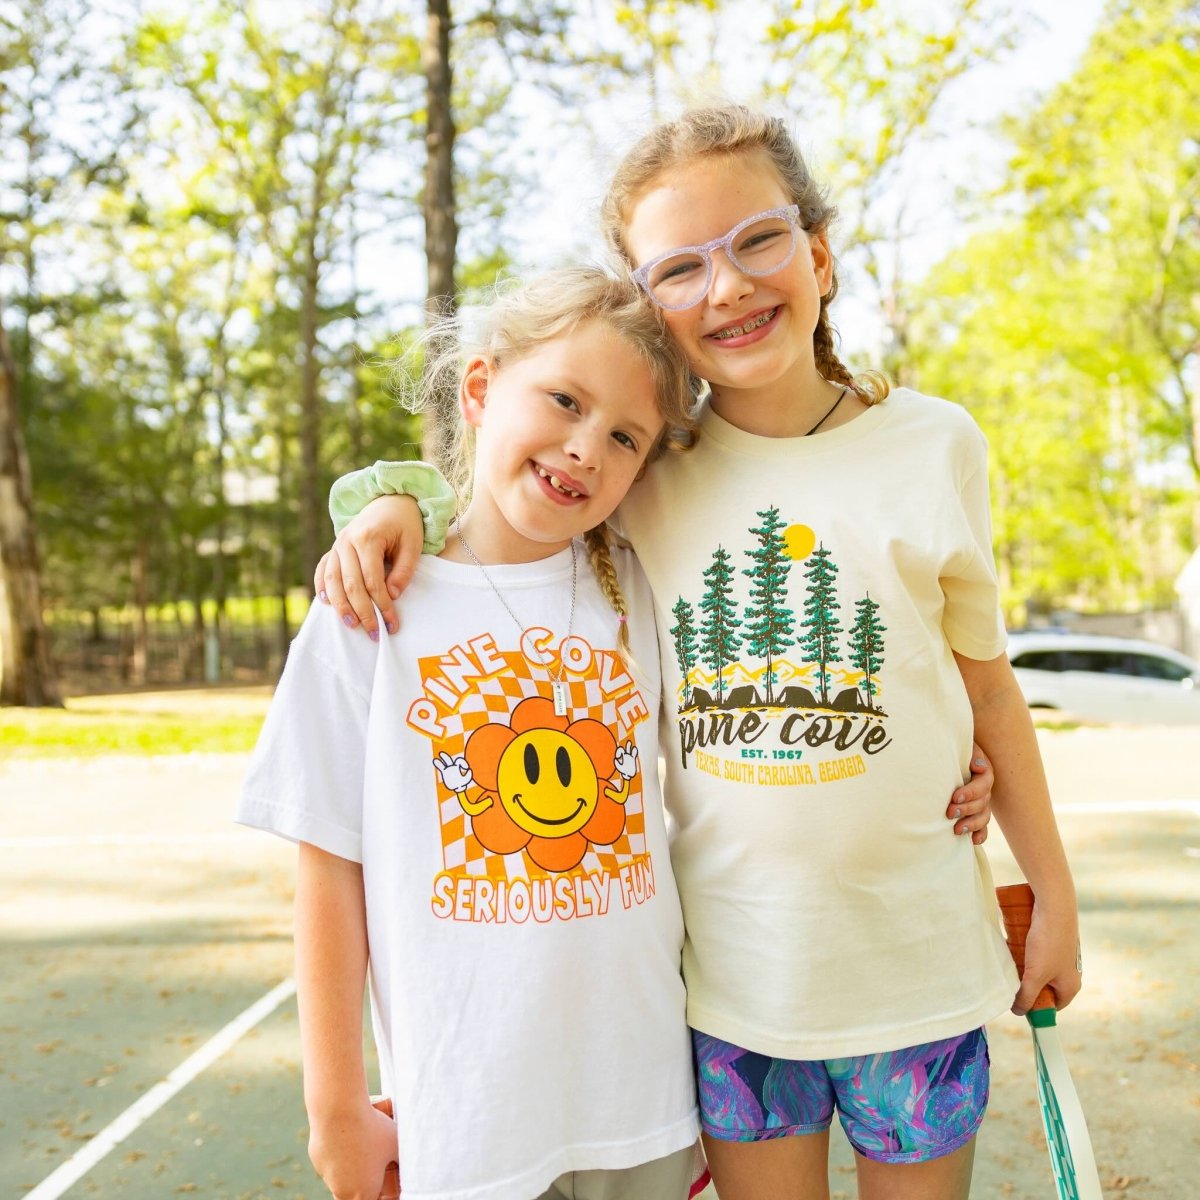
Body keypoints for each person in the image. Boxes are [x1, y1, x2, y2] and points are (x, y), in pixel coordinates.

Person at [315, 104, 1079, 1200]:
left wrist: (1050, 887)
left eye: (757, 241)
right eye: (679, 267)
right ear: (649, 302)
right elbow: (521, 484)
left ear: (817, 251)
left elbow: (984, 683)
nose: (725, 286)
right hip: (733, 992)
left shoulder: (938, 443)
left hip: (918, 967)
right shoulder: (648, 468)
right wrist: (394, 501)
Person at [237, 267, 715, 1200]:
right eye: (564, 401)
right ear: (483, 387)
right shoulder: (368, 603)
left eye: (624, 436)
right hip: (472, 1118)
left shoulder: (641, 582)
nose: (584, 449)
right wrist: (333, 1110)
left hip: (648, 1101)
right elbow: (329, 871)